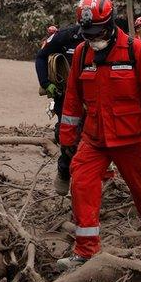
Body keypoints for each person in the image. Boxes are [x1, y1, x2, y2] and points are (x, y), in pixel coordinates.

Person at [56, 0, 141, 270]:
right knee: (81, 184)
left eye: (96, 31)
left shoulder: (136, 52)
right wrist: (67, 138)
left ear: (110, 22)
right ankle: (85, 251)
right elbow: (72, 99)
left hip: (132, 139)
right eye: (88, 32)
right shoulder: (83, 53)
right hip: (95, 139)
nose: (93, 37)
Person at [35, 22, 84, 195]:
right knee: (68, 137)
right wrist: (46, 83)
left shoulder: (110, 38)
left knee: (95, 137)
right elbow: (41, 57)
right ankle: (64, 169)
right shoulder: (65, 36)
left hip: (95, 96)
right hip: (65, 96)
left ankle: (93, 180)